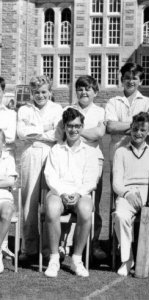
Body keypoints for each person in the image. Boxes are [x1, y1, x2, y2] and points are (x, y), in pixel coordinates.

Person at [113, 112, 149, 277]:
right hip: (128, 193)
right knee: (120, 216)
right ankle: (127, 259)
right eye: (135, 129)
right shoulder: (121, 152)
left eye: (142, 130)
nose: (138, 133)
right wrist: (127, 194)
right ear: (130, 129)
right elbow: (116, 182)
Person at [44, 107, 100, 278]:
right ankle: (54, 258)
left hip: (80, 194)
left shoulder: (90, 152)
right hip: (58, 193)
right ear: (65, 127)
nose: (73, 129)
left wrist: (78, 193)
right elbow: (50, 176)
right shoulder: (56, 150)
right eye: (70, 126)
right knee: (52, 209)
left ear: (82, 127)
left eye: (77, 126)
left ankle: (77, 259)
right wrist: (61, 193)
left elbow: (91, 179)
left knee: (85, 210)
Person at [56, 75, 106, 260]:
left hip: (93, 159)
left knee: (93, 202)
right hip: (71, 158)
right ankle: (64, 243)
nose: (84, 92)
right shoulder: (68, 109)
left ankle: (93, 243)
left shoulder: (100, 111)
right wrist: (85, 131)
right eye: (80, 89)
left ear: (95, 92)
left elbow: (99, 133)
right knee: (67, 199)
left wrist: (74, 129)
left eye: (88, 89)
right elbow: (61, 135)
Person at [17, 75, 63, 261]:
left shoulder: (57, 108)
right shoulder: (24, 110)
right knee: (29, 202)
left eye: (43, 92)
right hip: (31, 154)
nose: (40, 95)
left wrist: (35, 131)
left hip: (52, 155)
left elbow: (58, 134)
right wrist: (45, 130)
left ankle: (47, 248)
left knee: (49, 201)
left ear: (50, 92)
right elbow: (21, 133)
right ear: (31, 92)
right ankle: (29, 248)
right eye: (36, 92)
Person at [105, 62, 149, 163]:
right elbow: (111, 127)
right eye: (127, 78)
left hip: (140, 154)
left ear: (141, 81)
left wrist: (120, 127)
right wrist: (138, 127)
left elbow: (148, 128)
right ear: (122, 80)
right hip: (116, 154)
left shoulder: (148, 102)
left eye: (134, 78)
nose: (130, 81)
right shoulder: (113, 101)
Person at [0, 79, 17, 259]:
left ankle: (2, 246)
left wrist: (2, 136)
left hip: (5, 158)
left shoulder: (10, 114)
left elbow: (10, 136)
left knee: (4, 203)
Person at [0, 130, 18, 273]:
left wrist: (6, 181)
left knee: (6, 212)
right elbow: (6, 181)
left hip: (5, 197)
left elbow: (11, 180)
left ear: (3, 143)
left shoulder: (8, 158)